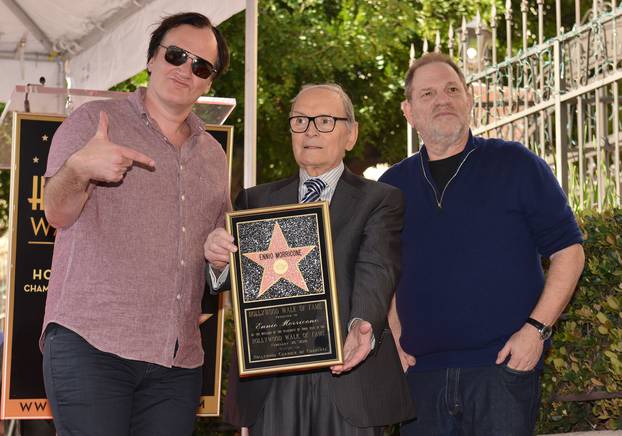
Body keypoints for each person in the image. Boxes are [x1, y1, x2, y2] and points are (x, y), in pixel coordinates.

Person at [40, 12, 230, 436]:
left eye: (200, 66)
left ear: (209, 82)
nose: (185, 70)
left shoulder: (215, 158)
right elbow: (56, 213)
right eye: (176, 55)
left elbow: (216, 258)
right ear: (151, 59)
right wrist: (80, 170)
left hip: (177, 361)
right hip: (92, 345)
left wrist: (219, 257)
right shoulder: (93, 123)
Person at [379, 52, 585, 436]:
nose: (443, 99)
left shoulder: (517, 164)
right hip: (419, 377)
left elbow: (568, 252)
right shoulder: (392, 186)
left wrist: (535, 331)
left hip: (502, 371)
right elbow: (385, 269)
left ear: (468, 99)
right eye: (428, 94)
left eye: (452, 89)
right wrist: (391, 334)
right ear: (408, 111)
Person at [204, 83, 415, 436]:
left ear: (351, 134)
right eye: (300, 121)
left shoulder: (380, 200)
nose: (311, 130)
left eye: (325, 121)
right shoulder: (254, 202)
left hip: (348, 376)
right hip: (272, 382)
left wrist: (361, 324)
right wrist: (218, 262)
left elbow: (377, 269)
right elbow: (235, 280)